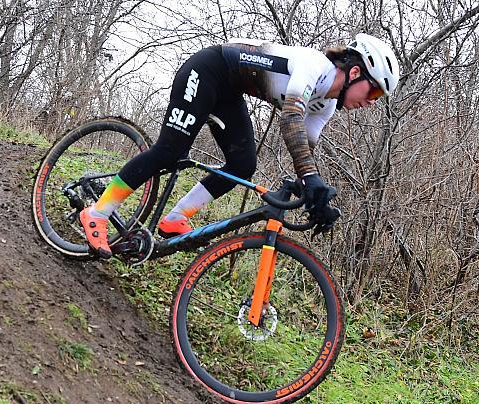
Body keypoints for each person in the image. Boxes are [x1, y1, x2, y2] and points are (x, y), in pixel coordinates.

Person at [80, 34, 400, 258]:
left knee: (242, 165)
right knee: (170, 151)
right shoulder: (314, 65)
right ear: (355, 72)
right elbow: (290, 120)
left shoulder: (325, 106)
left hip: (228, 91)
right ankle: (97, 213)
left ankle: (174, 218)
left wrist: (313, 194)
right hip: (206, 69)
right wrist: (311, 179)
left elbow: (305, 151)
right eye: (372, 94)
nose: (369, 104)